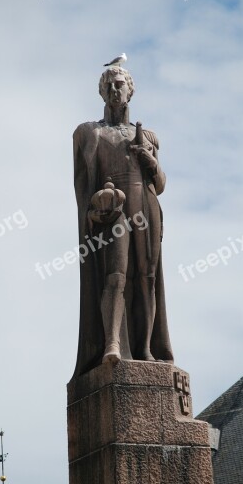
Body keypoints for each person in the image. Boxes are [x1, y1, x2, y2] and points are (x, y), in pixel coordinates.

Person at [72, 66, 173, 377]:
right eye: (110, 85)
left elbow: (161, 183)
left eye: (121, 84)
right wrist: (94, 207)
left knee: (148, 278)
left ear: (131, 90)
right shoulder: (90, 133)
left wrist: (150, 161)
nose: (116, 89)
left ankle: (144, 348)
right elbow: (82, 185)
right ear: (103, 92)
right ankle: (112, 343)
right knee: (116, 275)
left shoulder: (149, 136)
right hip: (115, 207)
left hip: (147, 204)